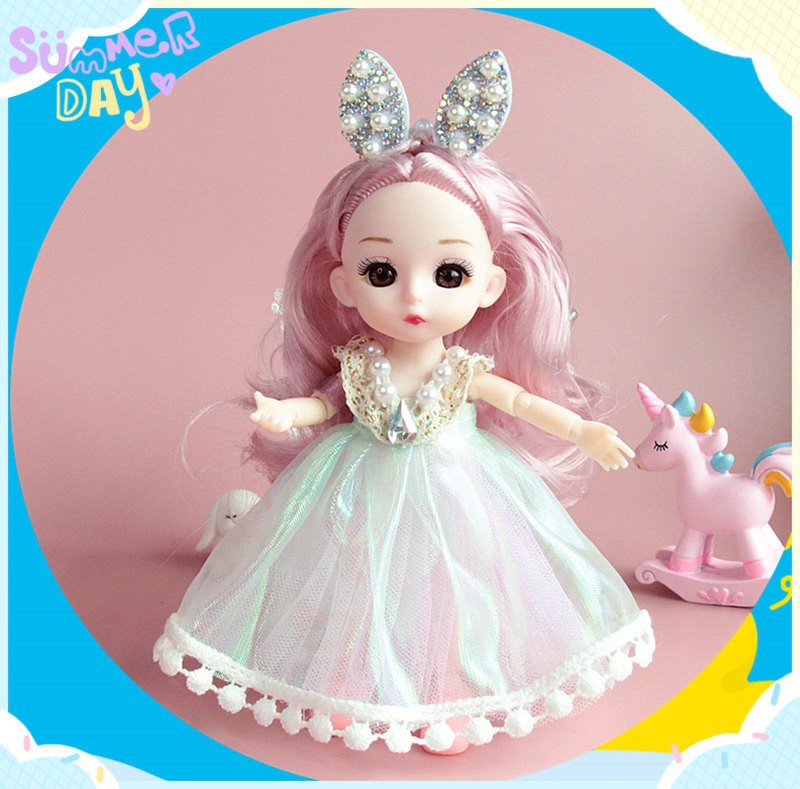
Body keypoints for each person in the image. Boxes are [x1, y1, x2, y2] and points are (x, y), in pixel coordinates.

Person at [155, 50, 653, 754]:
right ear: (343, 284)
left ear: (489, 285)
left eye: (449, 272)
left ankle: (448, 688)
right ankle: (347, 679)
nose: (415, 295)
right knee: (358, 582)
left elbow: (517, 399)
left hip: (458, 486)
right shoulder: (359, 361)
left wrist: (582, 431)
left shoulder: (462, 368)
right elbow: (328, 405)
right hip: (355, 481)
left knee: (452, 588)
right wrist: (287, 413)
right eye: (382, 270)